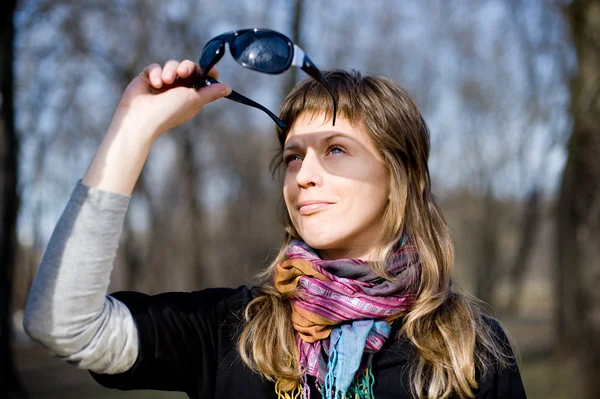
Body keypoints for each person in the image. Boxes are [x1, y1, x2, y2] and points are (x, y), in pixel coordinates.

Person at [23, 59, 527, 399]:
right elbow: (64, 326)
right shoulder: (235, 330)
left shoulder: (467, 351)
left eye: (334, 149)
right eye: (292, 157)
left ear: (399, 178)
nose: (303, 174)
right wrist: (133, 127)